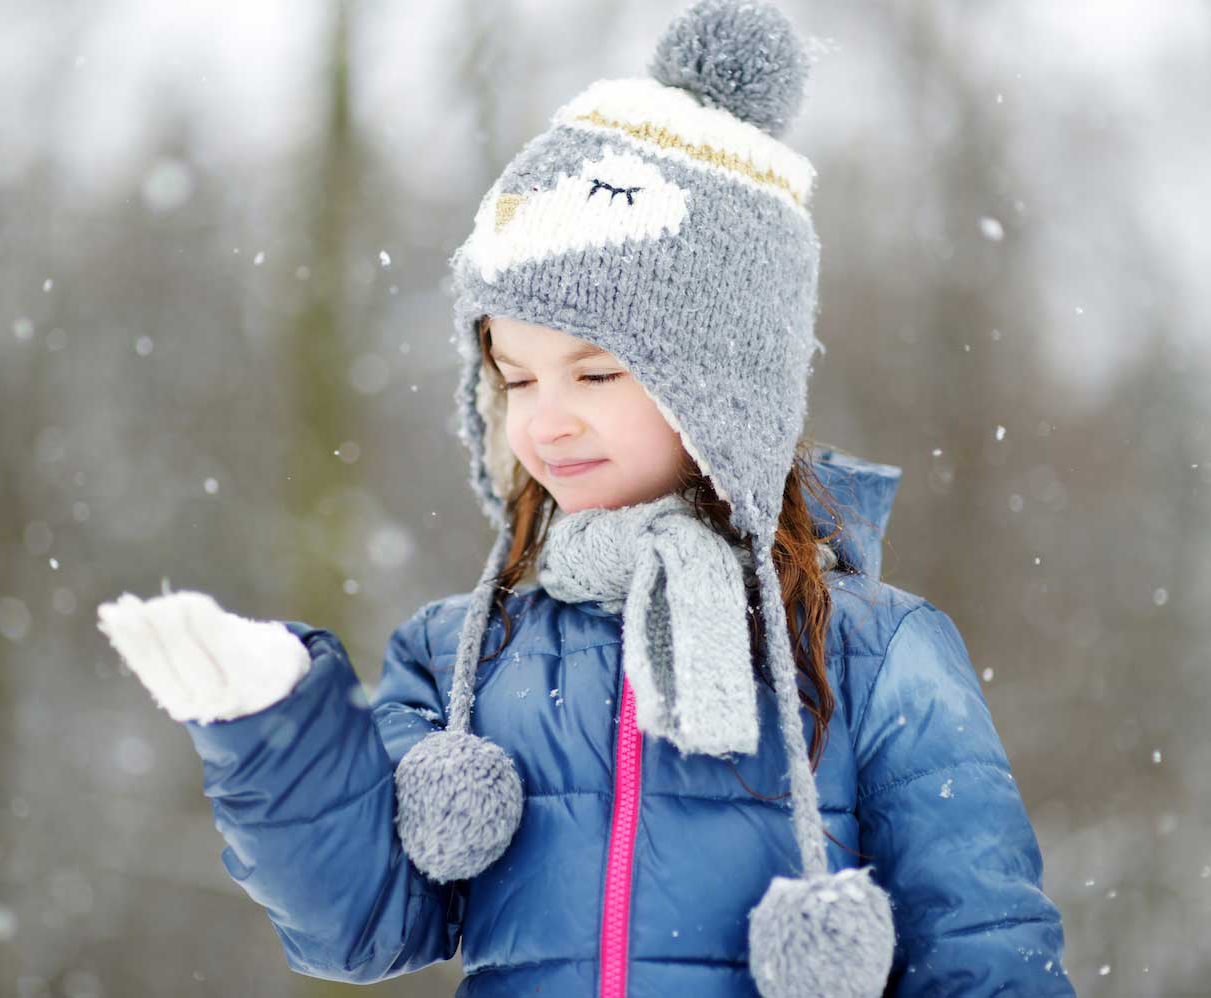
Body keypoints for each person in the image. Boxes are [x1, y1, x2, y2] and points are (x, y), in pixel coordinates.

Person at [95, 1, 1077, 995]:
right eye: (515, 379)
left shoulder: (874, 653)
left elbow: (986, 954)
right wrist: (272, 726)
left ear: (725, 386)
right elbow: (360, 926)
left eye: (596, 374)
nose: (545, 421)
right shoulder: (464, 654)